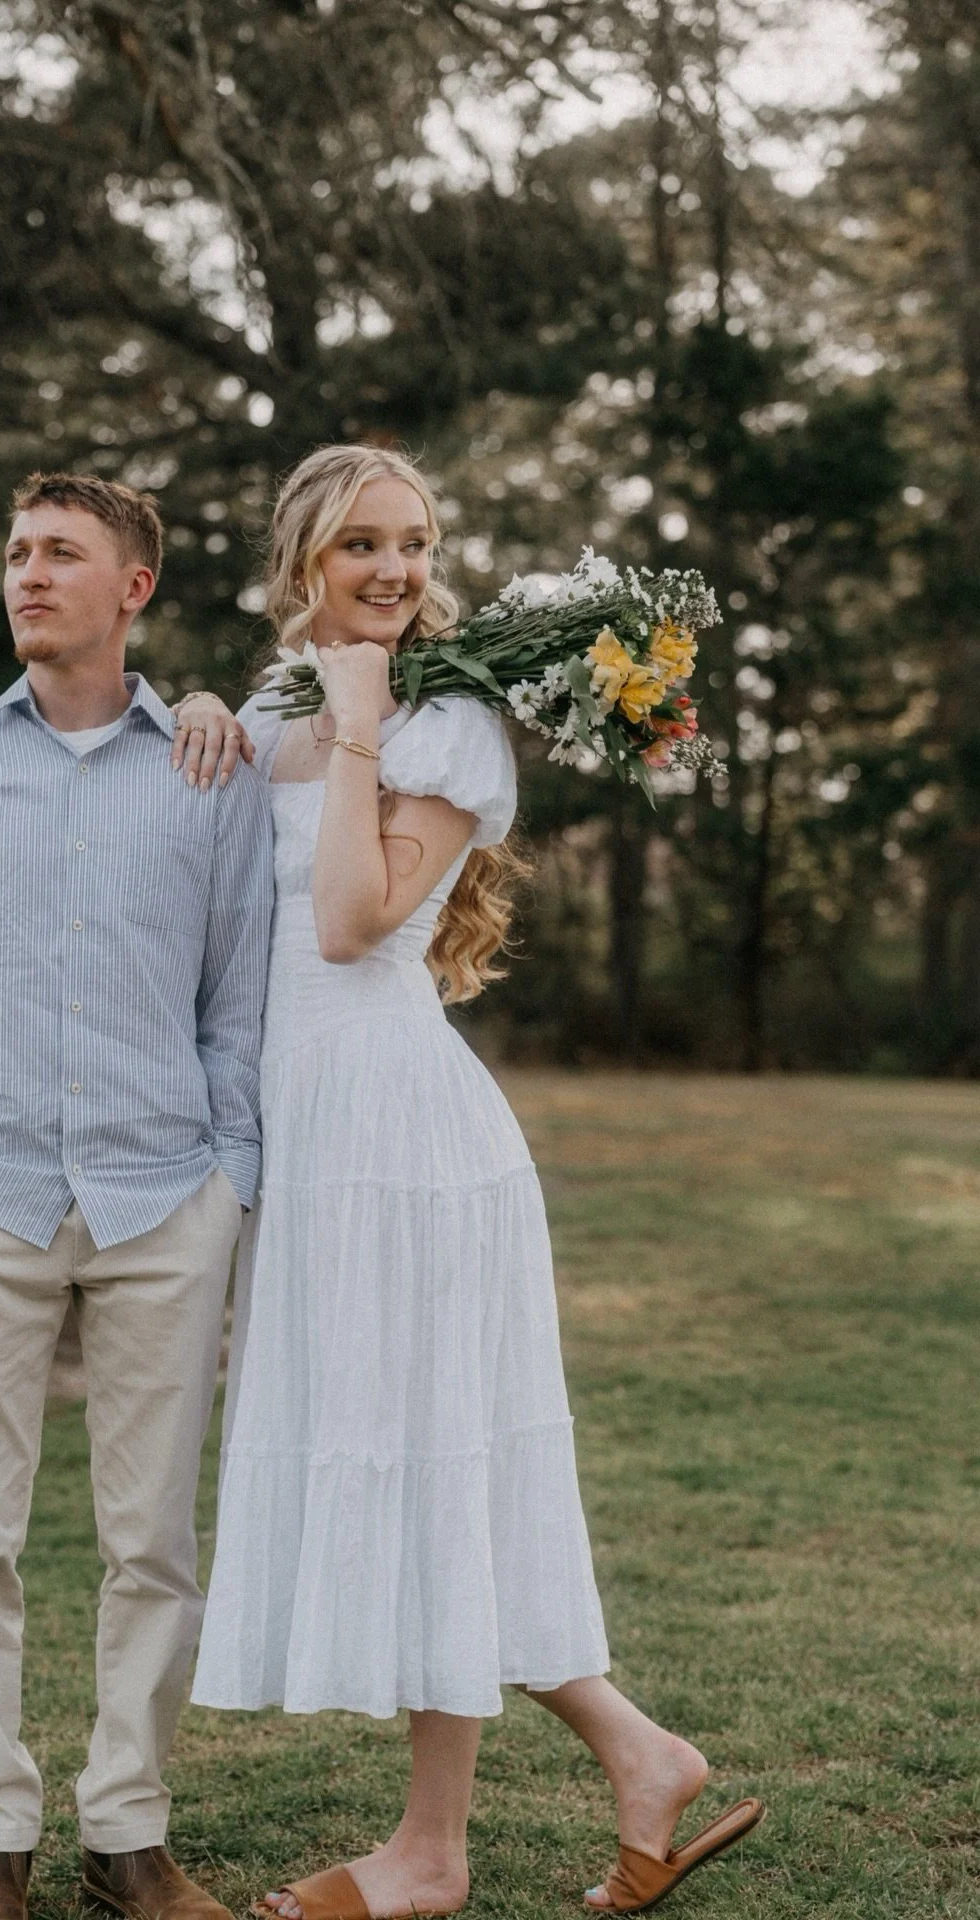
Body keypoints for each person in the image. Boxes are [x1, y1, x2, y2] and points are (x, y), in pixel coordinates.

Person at [173, 444, 764, 1919]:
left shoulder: (451, 723)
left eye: (416, 544)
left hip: (401, 1133)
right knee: (419, 1462)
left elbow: (353, 926)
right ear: (301, 557)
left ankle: (441, 1848)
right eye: (360, 543)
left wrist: (366, 730)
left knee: (438, 1460)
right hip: (304, 1137)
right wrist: (191, 713)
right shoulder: (278, 705)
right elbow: (210, 850)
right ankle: (629, 1758)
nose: (393, 570)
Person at [0, 472, 272, 1920]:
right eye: (18, 552)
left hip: (169, 1198)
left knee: (151, 1541)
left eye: (61, 555)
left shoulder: (210, 771)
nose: (28, 575)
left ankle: (127, 1839)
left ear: (133, 589)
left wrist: (233, 1178)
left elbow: (240, 997)